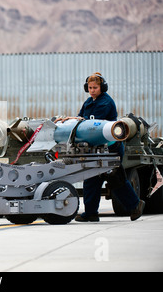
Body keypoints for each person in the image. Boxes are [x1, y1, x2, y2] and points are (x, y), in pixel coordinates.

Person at [55, 72, 145, 222]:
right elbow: (81, 119)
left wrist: (76, 119)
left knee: (115, 178)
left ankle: (136, 205)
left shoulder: (105, 102)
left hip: (110, 147)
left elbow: (94, 123)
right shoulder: (89, 102)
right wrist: (69, 120)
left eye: (95, 87)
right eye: (90, 87)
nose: (92, 90)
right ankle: (91, 213)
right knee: (91, 178)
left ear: (102, 87)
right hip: (96, 147)